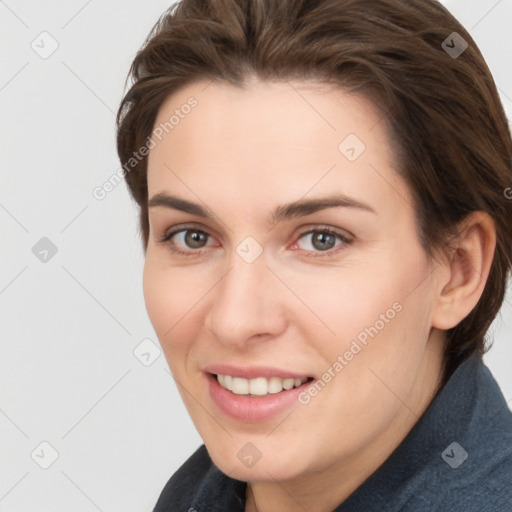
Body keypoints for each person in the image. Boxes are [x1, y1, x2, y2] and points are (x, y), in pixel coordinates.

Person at [116, 0, 512, 510]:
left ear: (459, 270)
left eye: (321, 239)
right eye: (193, 236)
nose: (235, 320)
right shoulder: (197, 495)